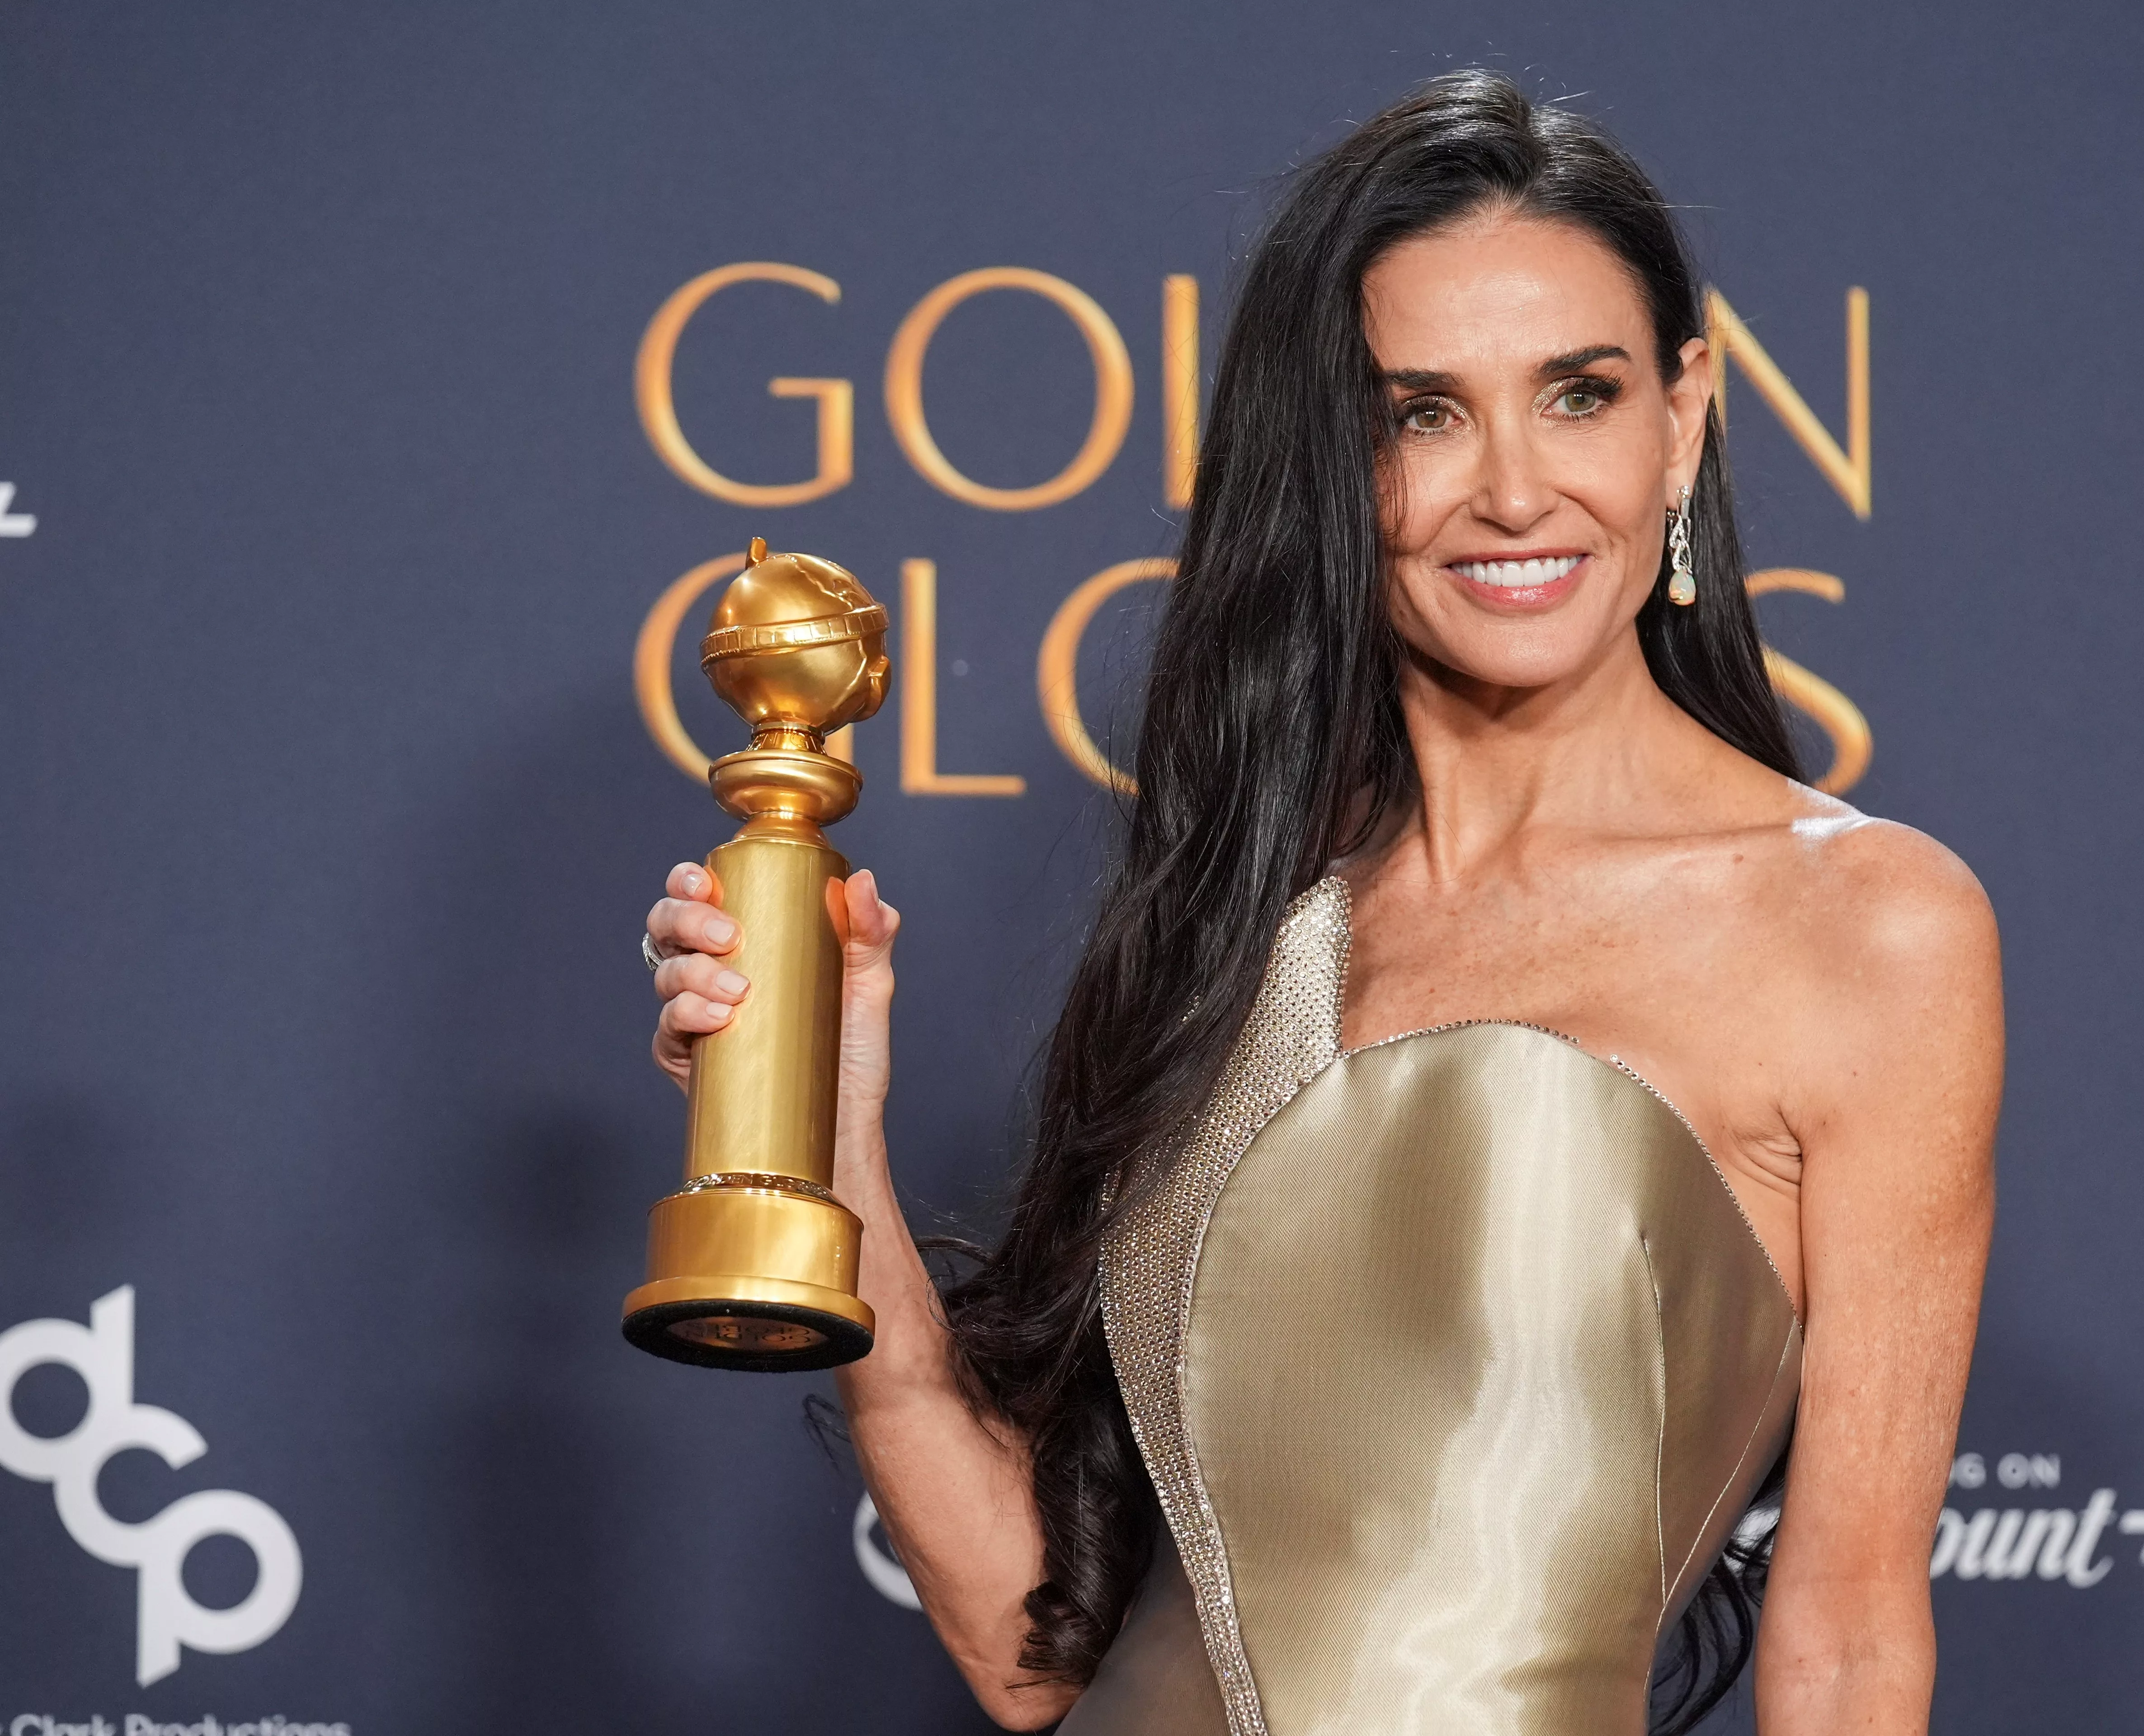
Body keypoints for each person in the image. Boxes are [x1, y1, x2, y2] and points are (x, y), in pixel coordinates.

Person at [643, 70, 1999, 1736]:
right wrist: (830, 1141)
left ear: (1686, 416)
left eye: (1578, 394)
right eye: (1421, 413)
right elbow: (1034, 1663)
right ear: (1332, 462)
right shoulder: (1242, 921)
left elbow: (1853, 1639)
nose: (1513, 490)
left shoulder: (1869, 927)